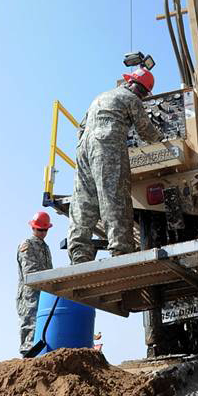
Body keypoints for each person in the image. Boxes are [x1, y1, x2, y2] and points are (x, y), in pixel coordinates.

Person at [68, 66, 163, 264]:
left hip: (83, 148)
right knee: (114, 195)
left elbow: (81, 127)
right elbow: (146, 132)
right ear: (144, 91)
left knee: (84, 199)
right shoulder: (132, 99)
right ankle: (121, 250)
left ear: (130, 81)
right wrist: (162, 139)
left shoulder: (102, 97)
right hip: (107, 146)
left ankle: (79, 253)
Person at [16, 211, 53, 357]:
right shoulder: (27, 245)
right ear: (33, 228)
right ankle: (28, 354)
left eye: (45, 230)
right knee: (30, 322)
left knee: (42, 323)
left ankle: (39, 354)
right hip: (30, 293)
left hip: (44, 292)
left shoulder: (45, 247)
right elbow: (29, 272)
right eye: (40, 229)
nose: (43, 233)